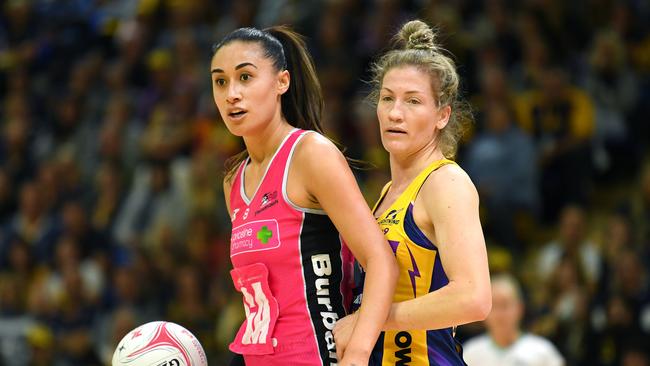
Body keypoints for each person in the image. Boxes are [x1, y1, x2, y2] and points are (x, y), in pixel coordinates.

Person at [210, 26, 398, 366]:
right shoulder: (233, 182)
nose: (231, 94)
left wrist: (357, 353)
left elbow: (380, 261)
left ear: (282, 82)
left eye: (245, 77)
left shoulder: (310, 154)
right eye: (220, 82)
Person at [334, 20, 491, 365]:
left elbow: (474, 298)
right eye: (387, 98)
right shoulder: (388, 192)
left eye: (413, 101)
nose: (394, 113)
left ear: (442, 115)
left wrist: (369, 320)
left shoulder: (445, 183)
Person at [463, 274, 565, 366]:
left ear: (519, 308)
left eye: (505, 305)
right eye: (494, 305)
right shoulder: (470, 353)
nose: (499, 314)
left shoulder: (543, 352)